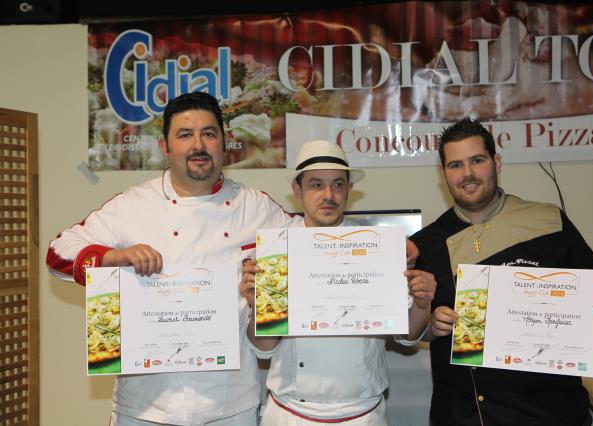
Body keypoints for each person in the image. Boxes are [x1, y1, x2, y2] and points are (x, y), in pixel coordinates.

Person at [46, 91, 298, 426]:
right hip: (144, 407)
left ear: (225, 143)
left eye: (209, 133)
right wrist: (113, 257)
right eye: (185, 135)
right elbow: (57, 253)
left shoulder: (257, 207)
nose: (199, 145)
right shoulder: (131, 205)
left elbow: (312, 251)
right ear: (165, 147)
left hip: (231, 405)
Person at [409, 117, 593, 426]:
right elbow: (412, 329)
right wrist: (432, 325)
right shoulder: (425, 244)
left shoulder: (547, 220)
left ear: (496, 162)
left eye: (477, 160)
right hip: (467, 415)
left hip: (554, 413)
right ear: (443, 173)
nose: (468, 174)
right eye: (455, 165)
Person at [240, 140, 436, 425]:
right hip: (289, 414)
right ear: (298, 190)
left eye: (338, 184)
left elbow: (407, 336)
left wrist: (422, 304)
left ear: (349, 190)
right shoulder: (276, 250)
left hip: (363, 414)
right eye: (316, 185)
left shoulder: (376, 246)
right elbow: (264, 347)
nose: (328, 195)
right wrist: (258, 306)